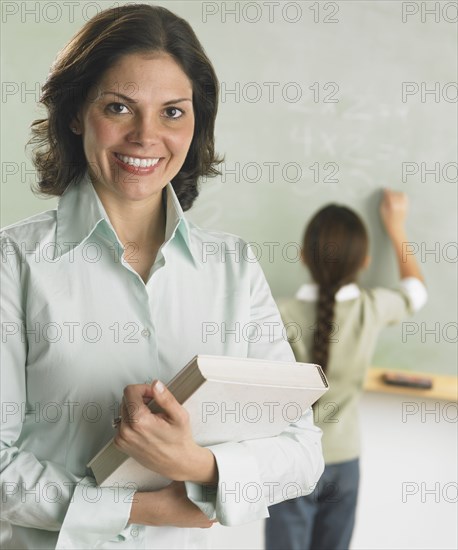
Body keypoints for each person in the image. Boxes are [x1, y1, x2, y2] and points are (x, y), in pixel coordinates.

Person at [0, 4, 324, 549]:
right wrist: (133, 507)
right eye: (120, 107)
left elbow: (301, 454)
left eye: (172, 112)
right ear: (78, 111)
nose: (146, 135)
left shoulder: (234, 268)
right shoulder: (14, 262)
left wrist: (196, 463)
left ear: (196, 123)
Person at [264, 190, 428, 550]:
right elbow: (416, 291)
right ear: (365, 261)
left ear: (304, 256)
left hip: (290, 459)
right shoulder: (372, 308)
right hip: (346, 460)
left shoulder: (276, 313)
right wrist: (396, 227)